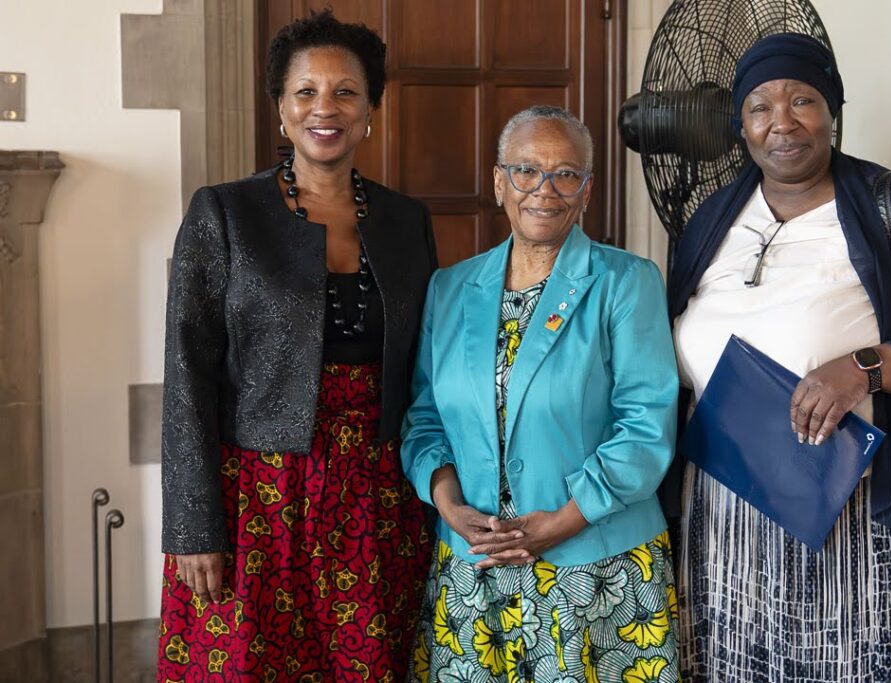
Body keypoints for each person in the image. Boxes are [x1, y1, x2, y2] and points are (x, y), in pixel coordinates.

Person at [666, 32, 891, 681]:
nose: (782, 121)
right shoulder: (712, 218)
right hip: (736, 521)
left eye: (803, 99)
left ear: (833, 109)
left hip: (873, 517)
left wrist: (864, 368)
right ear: (740, 122)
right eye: (761, 106)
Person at [158, 11, 436, 681]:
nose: (325, 108)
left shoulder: (406, 221)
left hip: (377, 495)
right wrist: (193, 525)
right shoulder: (224, 213)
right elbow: (185, 373)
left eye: (345, 91)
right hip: (255, 496)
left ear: (371, 108)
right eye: (305, 91)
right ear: (280, 108)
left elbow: (426, 365)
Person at [401, 105, 682, 682]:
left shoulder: (627, 282)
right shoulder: (451, 287)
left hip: (597, 569)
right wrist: (449, 504)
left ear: (587, 189)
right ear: (499, 180)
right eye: (526, 170)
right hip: (474, 571)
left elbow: (646, 426)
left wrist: (563, 520)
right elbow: (426, 418)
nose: (544, 190)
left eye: (566, 174)